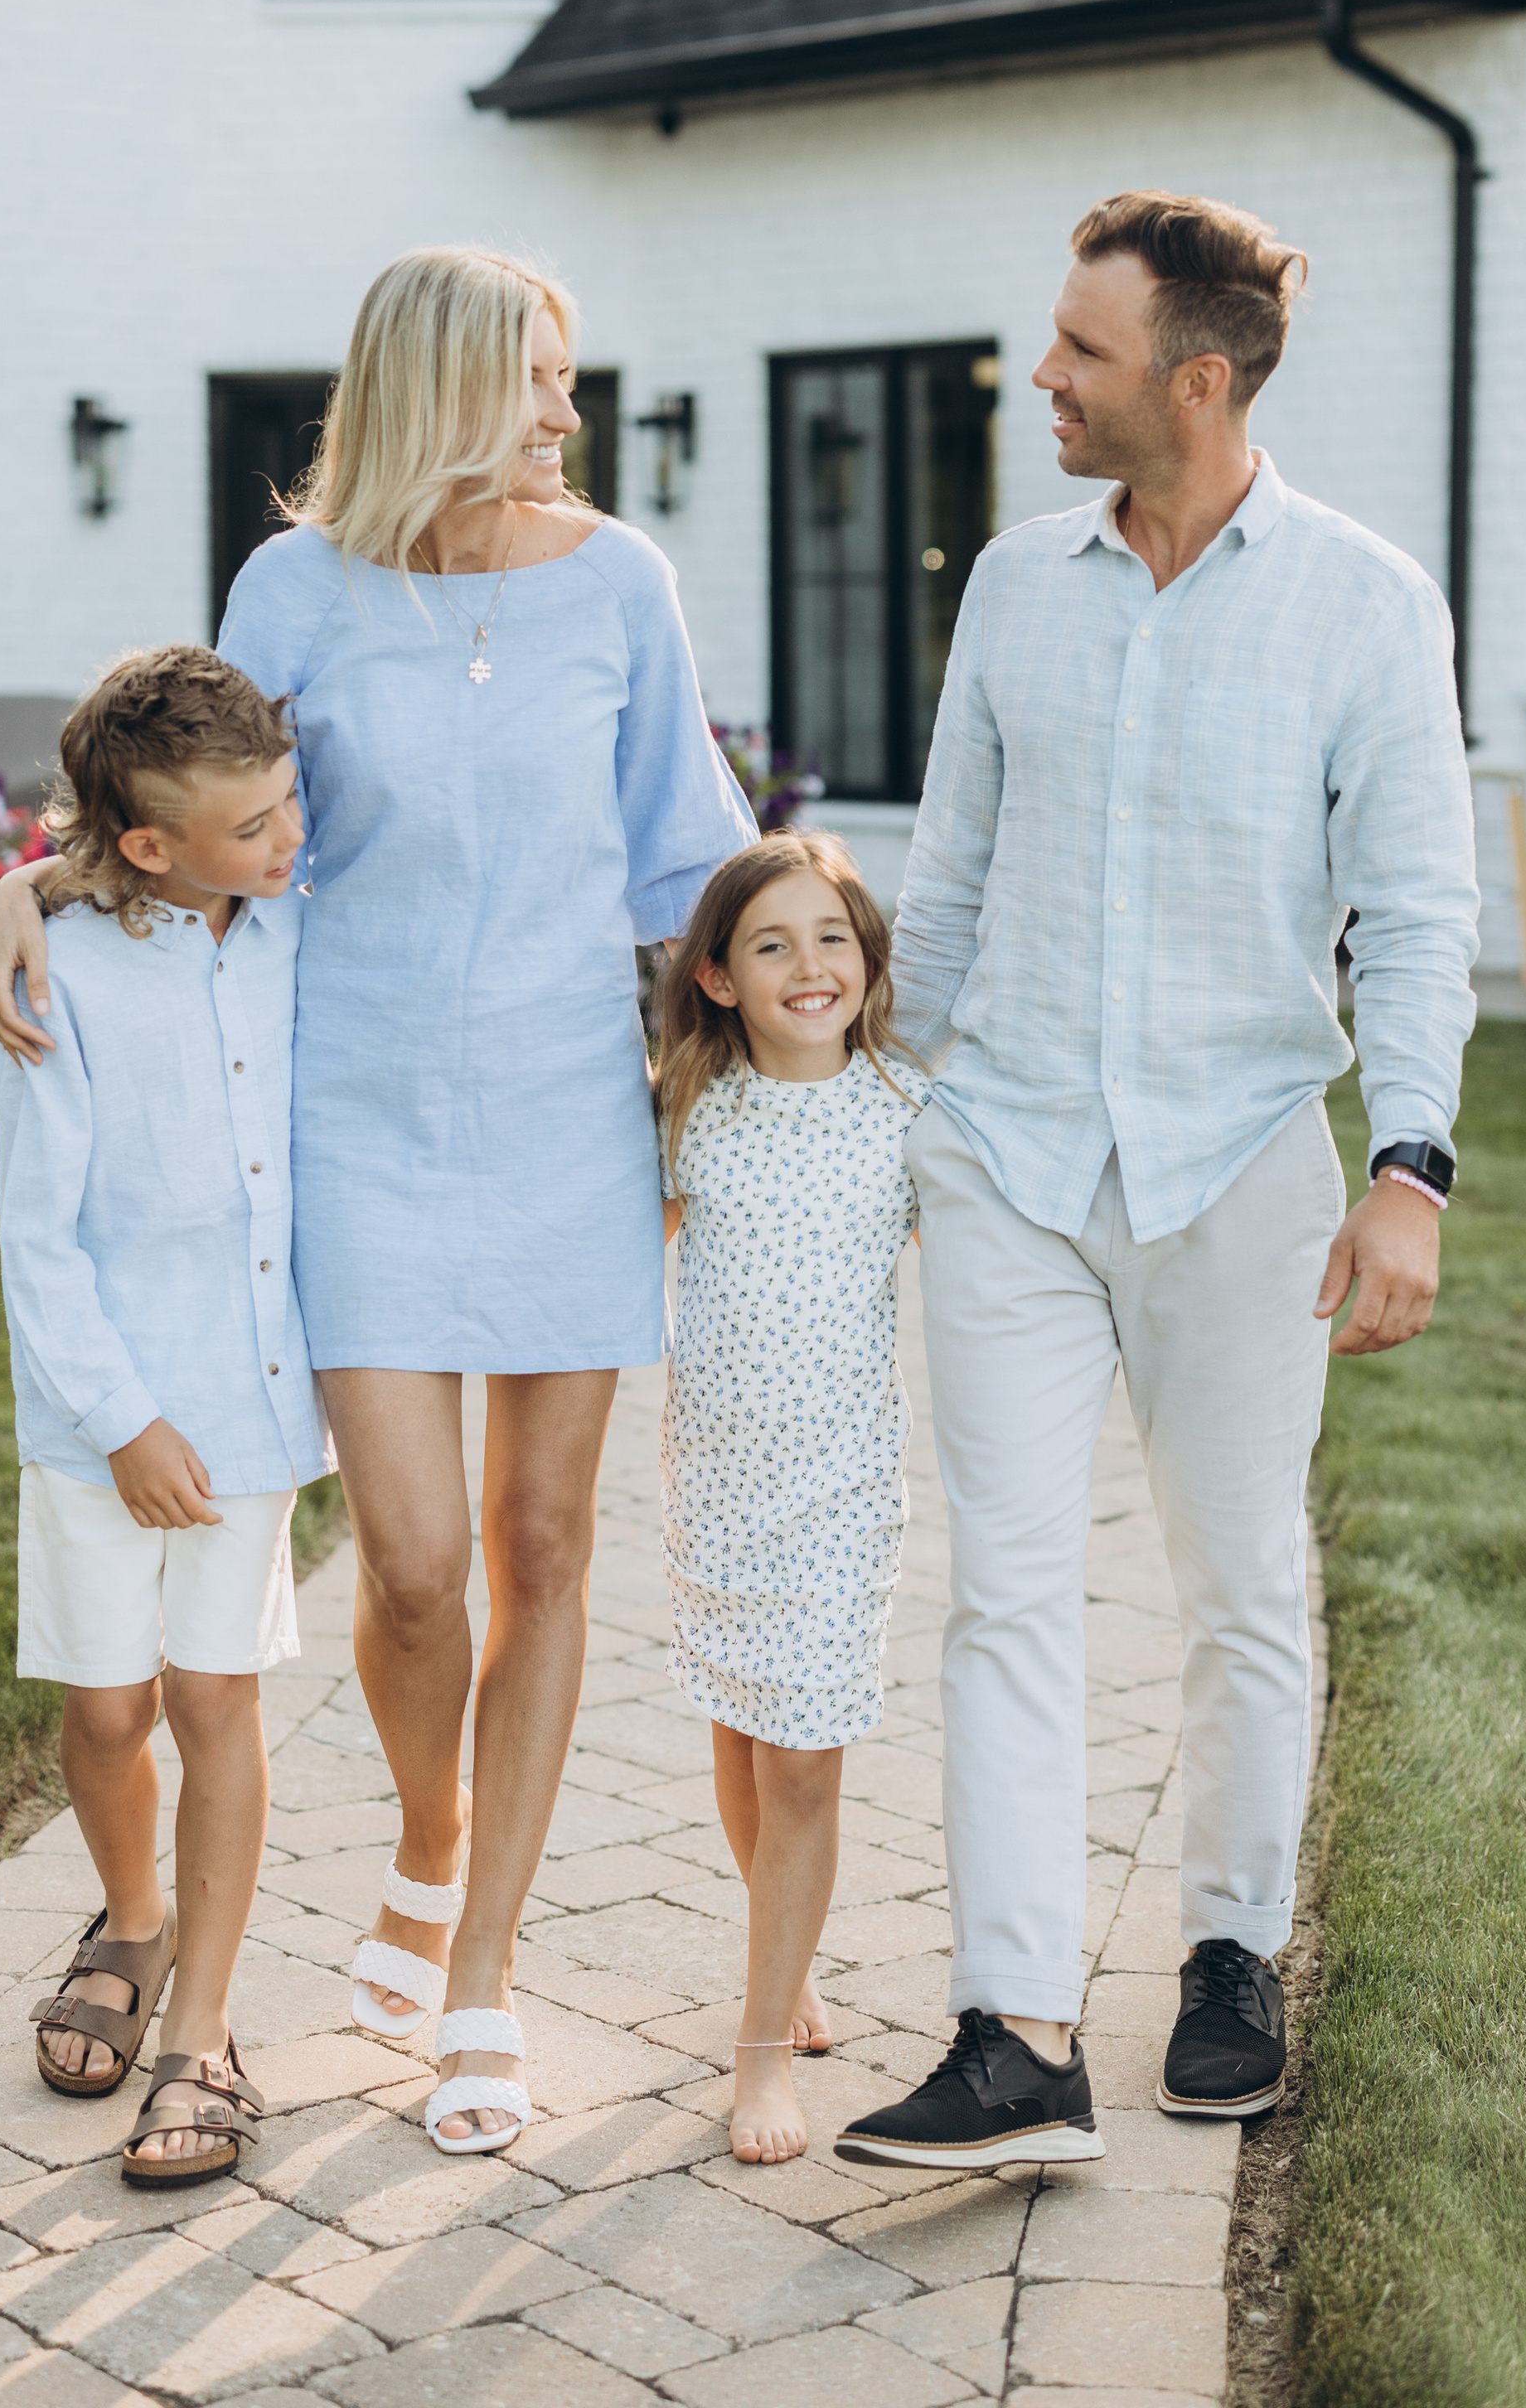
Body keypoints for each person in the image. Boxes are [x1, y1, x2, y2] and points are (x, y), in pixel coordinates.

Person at [0, 247, 753, 2156]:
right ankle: (427, 1843)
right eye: (538, 377)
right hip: (355, 1119)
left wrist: (814, 1018)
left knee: (543, 1547)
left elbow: (688, 853)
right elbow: (194, 802)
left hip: (567, 1116)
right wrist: (30, 883)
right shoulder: (295, 588)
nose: (566, 412)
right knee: (410, 1567)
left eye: (567, 377)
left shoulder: (619, 582)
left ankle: (479, 1969)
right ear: (439, 386)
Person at [834, 189, 1478, 2174]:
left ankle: (1226, 1951)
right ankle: (1015, 2031)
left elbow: (1416, 912)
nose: (1040, 376)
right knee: (1004, 1596)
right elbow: (944, 881)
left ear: (1194, 382)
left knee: (1238, 1582)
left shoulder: (1363, 602)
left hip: (1237, 1166)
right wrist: (881, 1117)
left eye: (1079, 352)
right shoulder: (1013, 586)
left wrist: (1409, 1169)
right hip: (1009, 1156)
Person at [0, 645, 329, 2188]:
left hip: (250, 1397)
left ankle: (202, 2030)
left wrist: (16, 877)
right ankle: (135, 1917)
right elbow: (38, 1236)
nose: (288, 838)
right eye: (252, 826)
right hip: (101, 1420)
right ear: (146, 844)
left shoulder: (296, 923)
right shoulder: (61, 969)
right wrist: (123, 1421)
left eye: (288, 803)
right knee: (108, 1711)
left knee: (216, 1701)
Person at [655, 833, 933, 2165]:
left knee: (805, 1759)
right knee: (741, 1732)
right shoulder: (686, 1113)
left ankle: (760, 2049)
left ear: (867, 959)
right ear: (719, 976)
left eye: (832, 938)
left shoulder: (907, 1111)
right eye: (772, 945)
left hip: (839, 1493)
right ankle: (790, 1953)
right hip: (716, 1487)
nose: (808, 965)